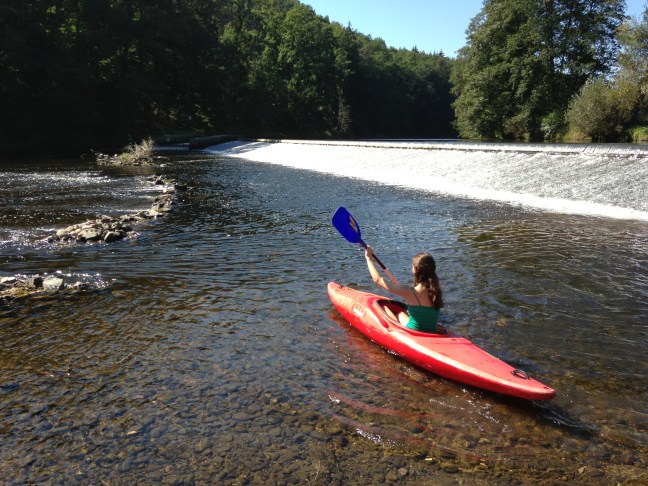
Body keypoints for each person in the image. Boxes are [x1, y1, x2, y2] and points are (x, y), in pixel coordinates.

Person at [364, 246, 444, 333]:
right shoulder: (436, 290)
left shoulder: (409, 291)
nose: (411, 269)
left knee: (384, 307)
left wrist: (368, 258)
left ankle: (395, 330)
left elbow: (378, 280)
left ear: (416, 270)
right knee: (400, 314)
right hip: (432, 330)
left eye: (413, 267)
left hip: (413, 331)